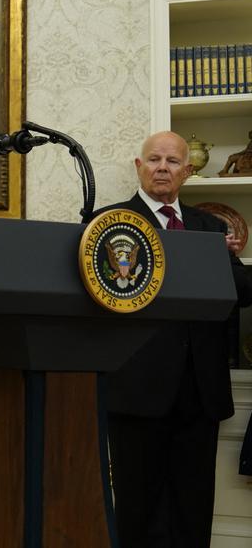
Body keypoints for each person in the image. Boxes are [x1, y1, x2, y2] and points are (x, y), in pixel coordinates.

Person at [97, 131, 252, 547]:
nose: (162, 167)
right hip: (135, 388)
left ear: (187, 171)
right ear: (138, 167)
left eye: (171, 161)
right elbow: (98, 297)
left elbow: (242, 293)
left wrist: (224, 257)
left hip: (199, 391)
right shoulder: (109, 223)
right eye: (153, 159)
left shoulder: (210, 227)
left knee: (193, 505)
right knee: (137, 506)